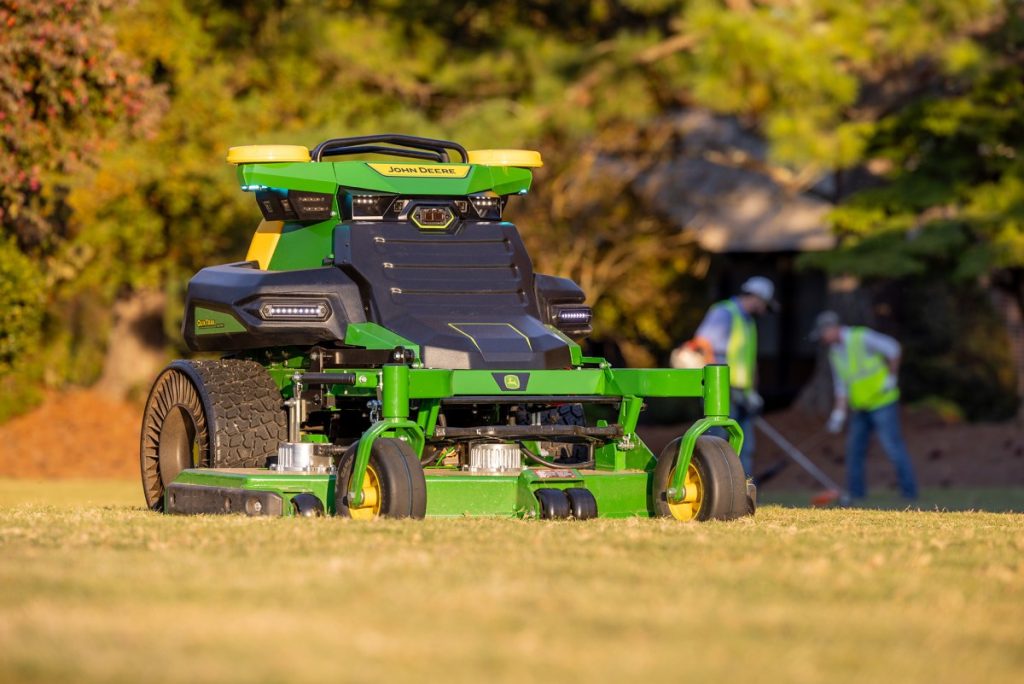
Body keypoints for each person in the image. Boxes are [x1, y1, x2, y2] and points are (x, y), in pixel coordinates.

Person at [810, 311, 918, 500]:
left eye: (823, 333)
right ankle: (856, 495)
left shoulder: (860, 337)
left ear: (833, 328)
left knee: (893, 448)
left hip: (882, 401)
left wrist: (892, 377)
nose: (823, 339)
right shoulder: (834, 352)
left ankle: (909, 493)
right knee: (854, 451)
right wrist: (838, 413)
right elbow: (841, 385)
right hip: (860, 407)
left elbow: (893, 349)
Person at [686, 276, 779, 477]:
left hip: (742, 394)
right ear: (756, 297)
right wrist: (720, 383)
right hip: (722, 390)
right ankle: (711, 489)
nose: (764, 309)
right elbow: (702, 344)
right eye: (764, 303)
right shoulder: (724, 312)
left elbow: (749, 361)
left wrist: (752, 392)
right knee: (716, 442)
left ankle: (742, 491)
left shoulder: (749, 323)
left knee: (746, 445)